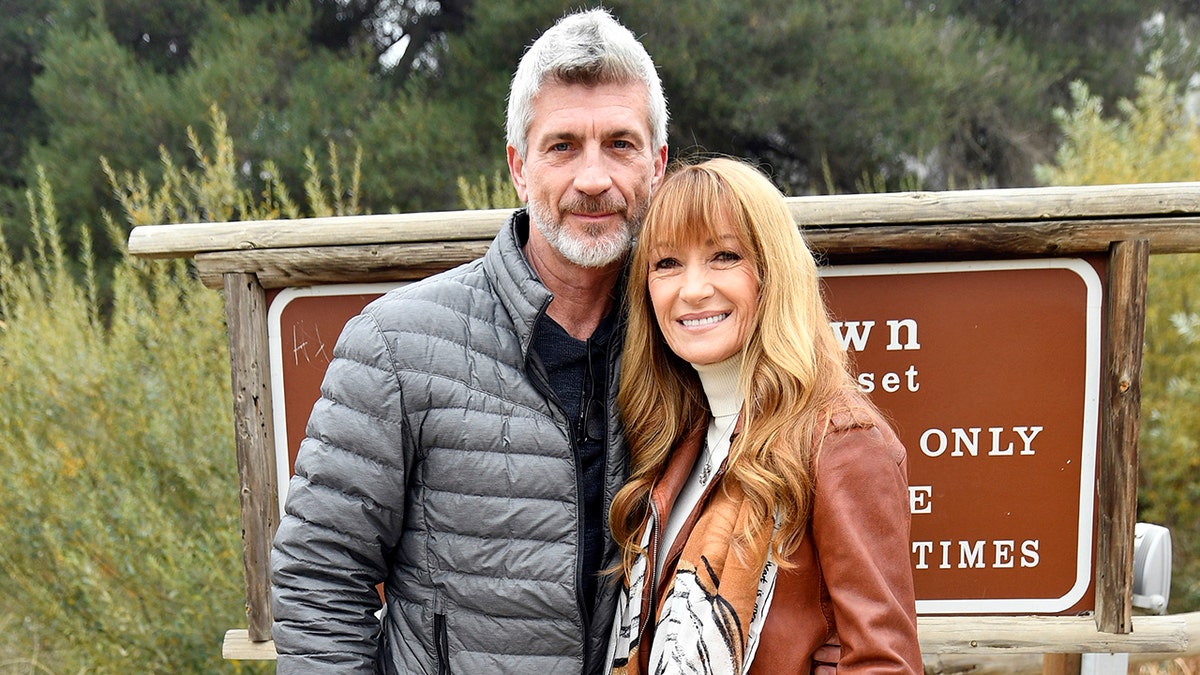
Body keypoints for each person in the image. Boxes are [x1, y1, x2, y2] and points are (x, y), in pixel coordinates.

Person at [270, 8, 667, 674]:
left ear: (656, 164)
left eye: (620, 145)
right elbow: (319, 574)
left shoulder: (686, 348)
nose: (593, 178)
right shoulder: (396, 345)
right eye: (563, 145)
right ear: (519, 165)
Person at [605, 158, 922, 674]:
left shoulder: (842, 443)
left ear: (771, 273)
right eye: (666, 264)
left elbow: (884, 664)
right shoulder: (677, 444)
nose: (692, 289)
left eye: (724, 256)